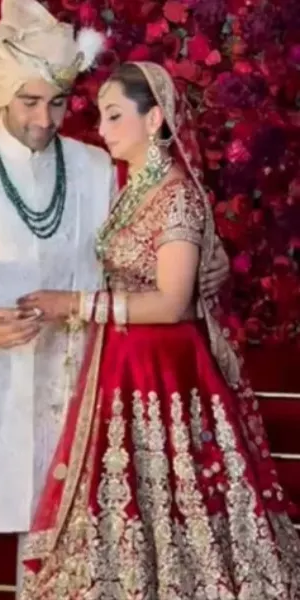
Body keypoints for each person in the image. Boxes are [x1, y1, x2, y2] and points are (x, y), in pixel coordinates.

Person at [0, 1, 230, 598]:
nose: (44, 117)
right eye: (30, 101)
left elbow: (130, 248)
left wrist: (201, 266)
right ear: (2, 95)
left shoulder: (93, 166)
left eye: (56, 102)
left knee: (60, 520)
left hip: (73, 368)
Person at [16, 61, 300, 599]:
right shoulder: (130, 191)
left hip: (164, 368)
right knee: (124, 499)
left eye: (114, 115)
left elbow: (171, 303)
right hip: (121, 361)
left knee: (175, 502)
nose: (102, 129)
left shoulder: (177, 196)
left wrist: (74, 305)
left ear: (154, 120)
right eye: (100, 116)